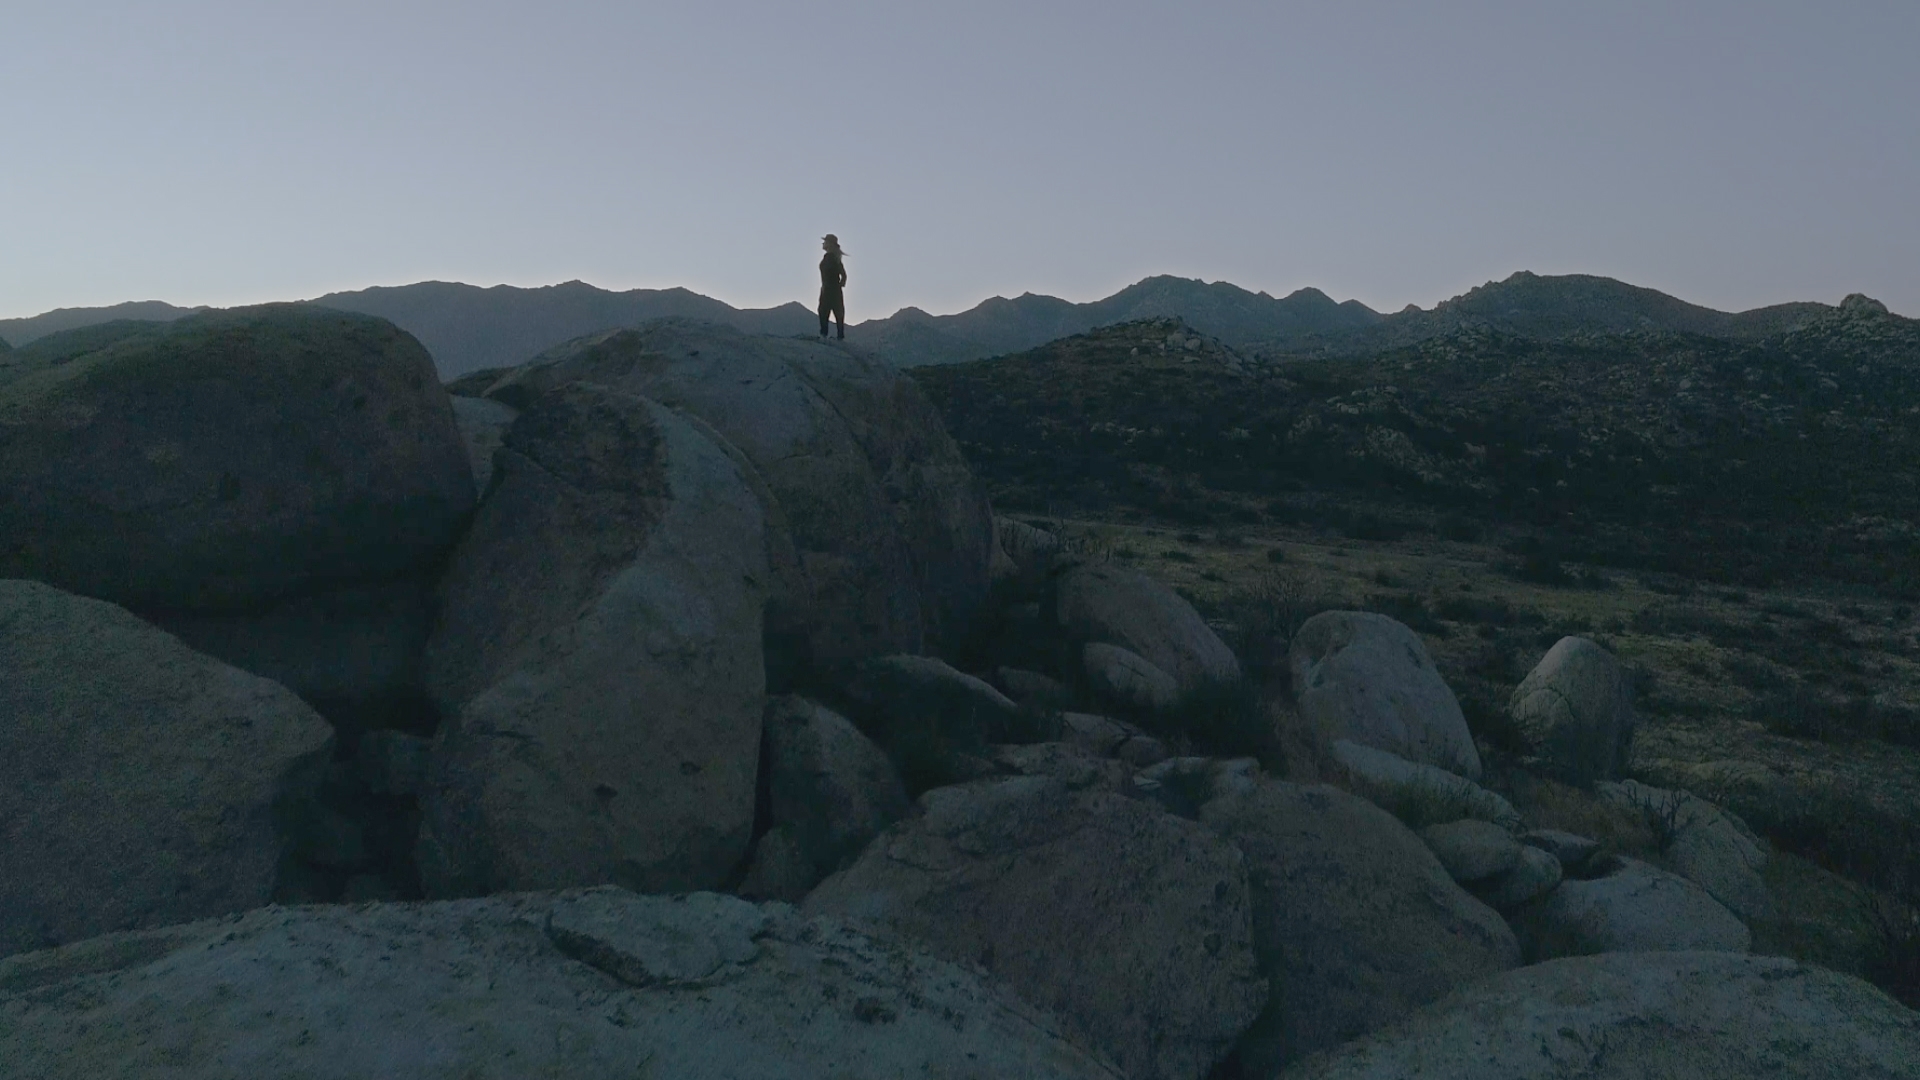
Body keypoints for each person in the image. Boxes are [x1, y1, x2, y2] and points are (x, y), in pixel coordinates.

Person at [818, 234, 847, 340]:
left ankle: (834, 335)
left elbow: (844, 275)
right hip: (828, 288)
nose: (823, 243)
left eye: (825, 241)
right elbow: (844, 275)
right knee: (825, 311)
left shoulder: (834, 259)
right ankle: (828, 334)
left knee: (833, 312)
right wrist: (841, 284)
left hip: (831, 289)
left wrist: (840, 284)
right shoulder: (831, 258)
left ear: (829, 244)